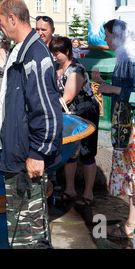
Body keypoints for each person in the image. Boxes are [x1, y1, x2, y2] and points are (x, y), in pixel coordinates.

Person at [0, 0, 63, 248]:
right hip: (18, 156)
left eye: (1, 22)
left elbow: (46, 110)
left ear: (13, 19)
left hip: (27, 158)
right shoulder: (21, 50)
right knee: (23, 231)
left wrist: (38, 152)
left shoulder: (34, 54)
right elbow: (13, 101)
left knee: (28, 237)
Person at [91, 19, 135, 239]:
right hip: (128, 121)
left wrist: (111, 88)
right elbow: (124, 88)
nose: (105, 39)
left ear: (116, 35)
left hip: (133, 124)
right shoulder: (126, 54)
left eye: (107, 34)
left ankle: (131, 225)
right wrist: (104, 84)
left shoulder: (130, 56)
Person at [50, 36, 100, 206]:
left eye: (57, 53)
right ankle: (70, 190)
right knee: (70, 152)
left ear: (67, 51)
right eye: (53, 53)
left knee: (87, 153)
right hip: (68, 115)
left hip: (85, 114)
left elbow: (68, 97)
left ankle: (88, 193)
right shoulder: (57, 68)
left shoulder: (76, 70)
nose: (54, 56)